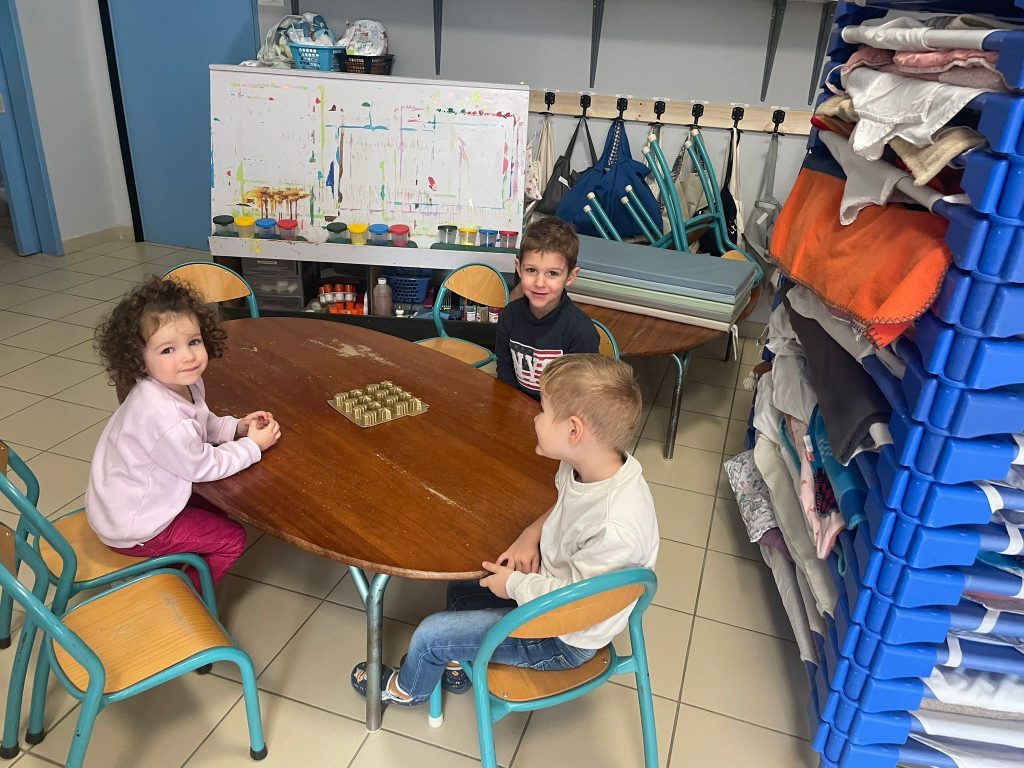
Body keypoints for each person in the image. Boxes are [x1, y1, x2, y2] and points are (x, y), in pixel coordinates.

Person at [351, 354, 658, 705]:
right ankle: (456, 661)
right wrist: (531, 534)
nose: (535, 418)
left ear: (574, 431)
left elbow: (575, 606)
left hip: (562, 637)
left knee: (429, 637)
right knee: (463, 587)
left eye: (543, 411)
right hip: (554, 592)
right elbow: (567, 506)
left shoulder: (614, 527)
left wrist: (513, 584)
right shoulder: (592, 464)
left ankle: (407, 690)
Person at [85, 276, 281, 590]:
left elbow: (201, 422)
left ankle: (173, 566)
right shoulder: (164, 417)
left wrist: (237, 428)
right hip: (135, 526)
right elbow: (202, 466)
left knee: (221, 507)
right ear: (138, 357)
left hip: (122, 504)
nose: (188, 356)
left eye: (193, 342)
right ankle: (186, 599)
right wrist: (253, 447)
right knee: (231, 539)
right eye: (168, 349)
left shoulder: (176, 383)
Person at [495, 218, 599, 400]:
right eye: (531, 270)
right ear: (519, 268)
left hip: (560, 412)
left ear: (570, 276)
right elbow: (505, 371)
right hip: (518, 406)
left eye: (552, 273)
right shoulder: (509, 316)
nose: (539, 283)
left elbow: (580, 394)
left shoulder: (580, 331)